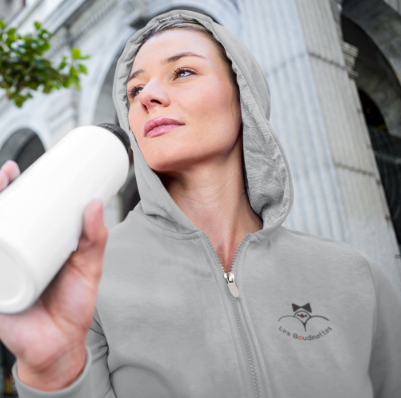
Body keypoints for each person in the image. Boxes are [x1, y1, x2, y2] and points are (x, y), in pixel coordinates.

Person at [0, 9, 400, 398]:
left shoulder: (355, 277)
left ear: (242, 94)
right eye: (135, 89)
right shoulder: (84, 280)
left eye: (183, 72)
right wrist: (52, 371)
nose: (148, 97)